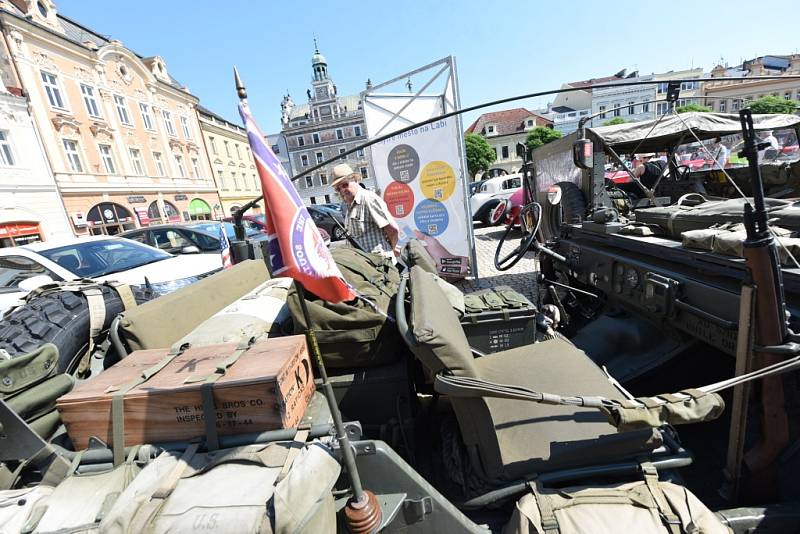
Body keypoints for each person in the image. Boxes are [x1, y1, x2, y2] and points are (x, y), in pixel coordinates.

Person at [331, 163, 398, 259]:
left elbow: (393, 230)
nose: (342, 191)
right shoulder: (350, 204)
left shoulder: (368, 199)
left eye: (345, 185)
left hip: (379, 267)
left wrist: (392, 248)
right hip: (366, 267)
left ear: (355, 180)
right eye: (338, 189)